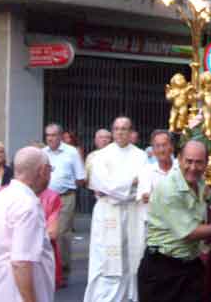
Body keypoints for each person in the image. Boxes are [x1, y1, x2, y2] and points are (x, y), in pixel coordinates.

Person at [137, 140, 211, 302]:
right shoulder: (169, 189)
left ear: (206, 163)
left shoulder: (199, 182)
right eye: (188, 161)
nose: (193, 167)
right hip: (162, 270)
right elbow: (189, 233)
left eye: (199, 162)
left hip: (189, 266)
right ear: (179, 159)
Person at [83, 117, 147, 302]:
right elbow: (103, 184)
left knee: (131, 257)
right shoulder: (101, 156)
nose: (120, 132)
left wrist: (118, 188)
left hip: (132, 212)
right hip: (107, 213)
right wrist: (129, 183)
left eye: (124, 129)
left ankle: (129, 297)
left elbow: (141, 184)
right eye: (117, 128)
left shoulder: (140, 156)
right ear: (112, 131)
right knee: (105, 259)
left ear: (131, 132)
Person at [0, 147, 55, 302]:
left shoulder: (2, 197)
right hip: (15, 293)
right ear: (42, 171)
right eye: (50, 169)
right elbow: (21, 262)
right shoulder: (27, 206)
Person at [43, 123, 86, 275]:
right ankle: (48, 268)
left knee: (61, 233)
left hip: (65, 197)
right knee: (45, 233)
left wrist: (66, 184)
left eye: (53, 135)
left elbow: (81, 177)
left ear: (60, 136)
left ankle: (63, 268)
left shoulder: (71, 152)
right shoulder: (43, 153)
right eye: (48, 135)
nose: (50, 138)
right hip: (45, 198)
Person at [136, 131, 176, 256]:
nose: (161, 149)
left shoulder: (181, 169)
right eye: (157, 146)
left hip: (179, 229)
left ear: (172, 147)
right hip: (155, 230)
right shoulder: (147, 171)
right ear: (152, 150)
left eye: (164, 145)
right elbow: (145, 197)